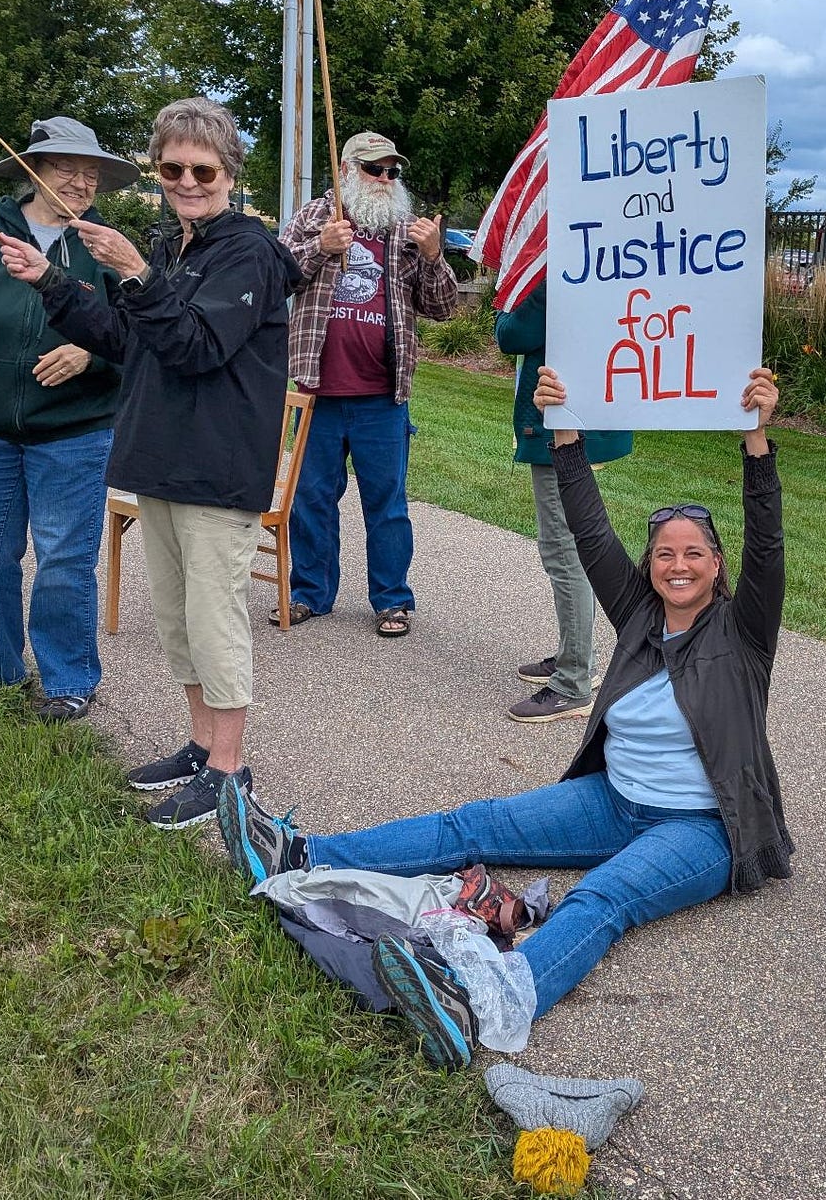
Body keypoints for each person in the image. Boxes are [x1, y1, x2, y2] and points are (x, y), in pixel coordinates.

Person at [218, 366, 789, 1068]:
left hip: (703, 827)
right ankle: (304, 853)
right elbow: (588, 527)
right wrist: (568, 432)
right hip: (615, 801)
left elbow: (768, 546)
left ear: (717, 564)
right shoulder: (640, 614)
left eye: (693, 553)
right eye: (664, 553)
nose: (677, 565)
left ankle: (479, 1000)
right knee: (474, 824)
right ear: (650, 566)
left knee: (600, 900)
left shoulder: (744, 631)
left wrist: (756, 443)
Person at [0, 96, 301, 829]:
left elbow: (196, 345)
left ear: (230, 173)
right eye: (172, 167)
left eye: (203, 168)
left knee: (213, 619)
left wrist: (134, 270)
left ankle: (230, 769)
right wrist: (51, 282)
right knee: (176, 620)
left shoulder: (248, 253)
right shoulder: (173, 246)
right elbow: (129, 340)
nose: (187, 180)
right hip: (161, 457)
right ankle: (199, 745)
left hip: (217, 470)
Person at [0, 116, 133, 720]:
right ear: (32, 172)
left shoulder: (105, 246)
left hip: (74, 434)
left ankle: (68, 681)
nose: (80, 182)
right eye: (65, 168)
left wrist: (92, 350)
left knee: (63, 560)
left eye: (91, 173)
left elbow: (145, 338)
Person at [275, 132, 457, 638]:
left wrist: (434, 256)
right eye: (374, 169)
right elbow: (274, 277)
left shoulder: (406, 229)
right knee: (311, 498)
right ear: (346, 168)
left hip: (382, 395)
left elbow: (441, 308)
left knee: (388, 503)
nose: (384, 179)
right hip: (317, 390)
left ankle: (392, 600)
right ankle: (309, 593)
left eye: (391, 171)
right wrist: (319, 248)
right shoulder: (316, 217)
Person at [495, 283, 631, 720]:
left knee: (563, 552)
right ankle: (576, 655)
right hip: (586, 420)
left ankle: (573, 680)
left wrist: (506, 301)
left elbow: (512, 336)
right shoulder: (595, 270)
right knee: (573, 549)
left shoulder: (558, 278)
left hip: (561, 427)